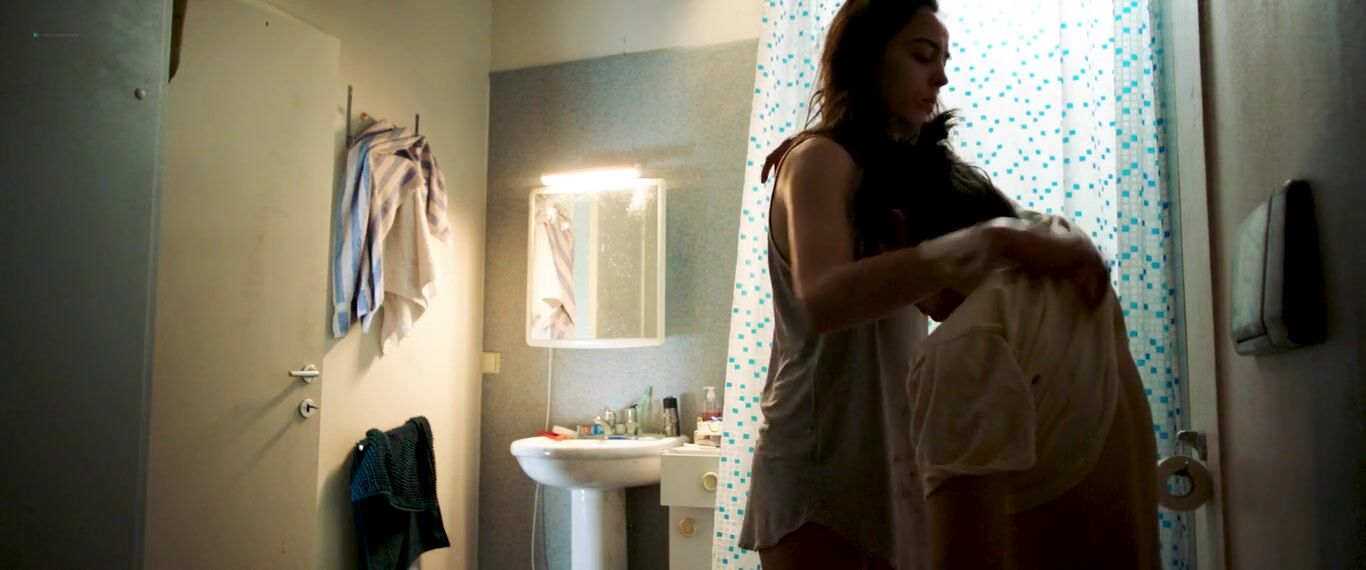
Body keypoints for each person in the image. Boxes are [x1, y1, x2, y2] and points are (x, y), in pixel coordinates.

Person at [738, 1, 1111, 568]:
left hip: (893, 450)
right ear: (868, 58)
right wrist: (992, 242)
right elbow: (824, 299)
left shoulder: (892, 165)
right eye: (922, 55)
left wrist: (1043, 241)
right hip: (820, 462)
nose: (940, 78)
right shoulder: (819, 159)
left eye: (943, 60)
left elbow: (991, 225)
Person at [871, 111, 1160, 569]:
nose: (898, 298)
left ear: (899, 228)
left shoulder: (968, 346)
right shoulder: (1072, 267)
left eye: (880, 265)